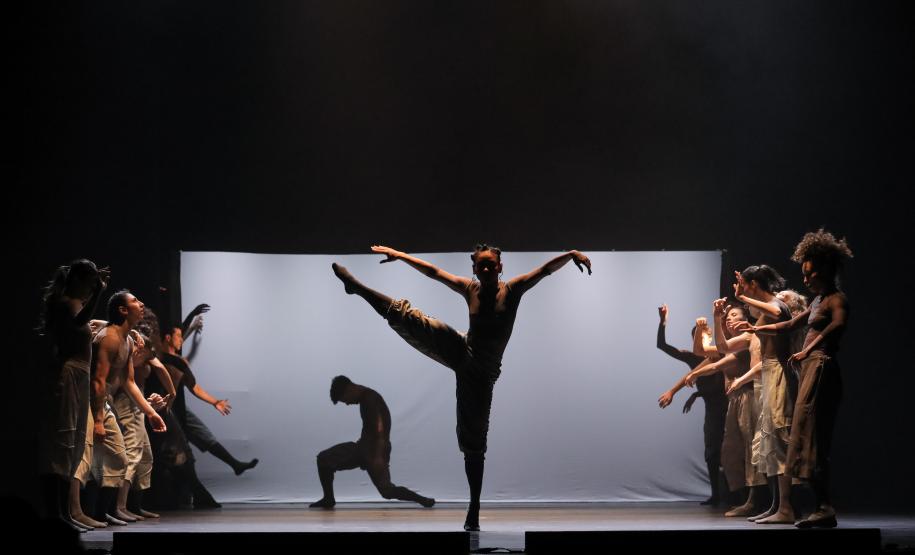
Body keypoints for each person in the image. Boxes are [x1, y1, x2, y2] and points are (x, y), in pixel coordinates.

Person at [331, 244, 592, 530]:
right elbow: (434, 272)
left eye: (491, 264)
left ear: (500, 267)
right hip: (461, 348)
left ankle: (474, 506)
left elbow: (544, 270)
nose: (486, 269)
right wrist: (401, 255)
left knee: (474, 442)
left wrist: (570, 254)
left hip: (481, 374)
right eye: (481, 265)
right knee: (408, 318)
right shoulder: (470, 289)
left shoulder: (512, 290)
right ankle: (356, 286)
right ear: (474, 269)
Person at [735, 229, 852, 528]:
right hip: (811, 364)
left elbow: (837, 326)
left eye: (810, 273)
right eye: (804, 274)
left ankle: (822, 506)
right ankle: (820, 506)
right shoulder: (816, 301)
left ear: (824, 269)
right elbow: (788, 324)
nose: (806, 279)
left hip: (821, 365)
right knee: (802, 436)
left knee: (810, 437)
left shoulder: (835, 300)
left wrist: (808, 348)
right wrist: (755, 330)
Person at [310, 376, 435, 509]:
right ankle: (328, 499)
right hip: (366, 449)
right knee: (325, 459)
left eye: (344, 400)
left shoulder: (370, 398)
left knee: (387, 491)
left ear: (349, 389)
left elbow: (380, 428)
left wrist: (378, 457)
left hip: (372, 451)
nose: (347, 404)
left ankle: (422, 499)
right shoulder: (367, 398)